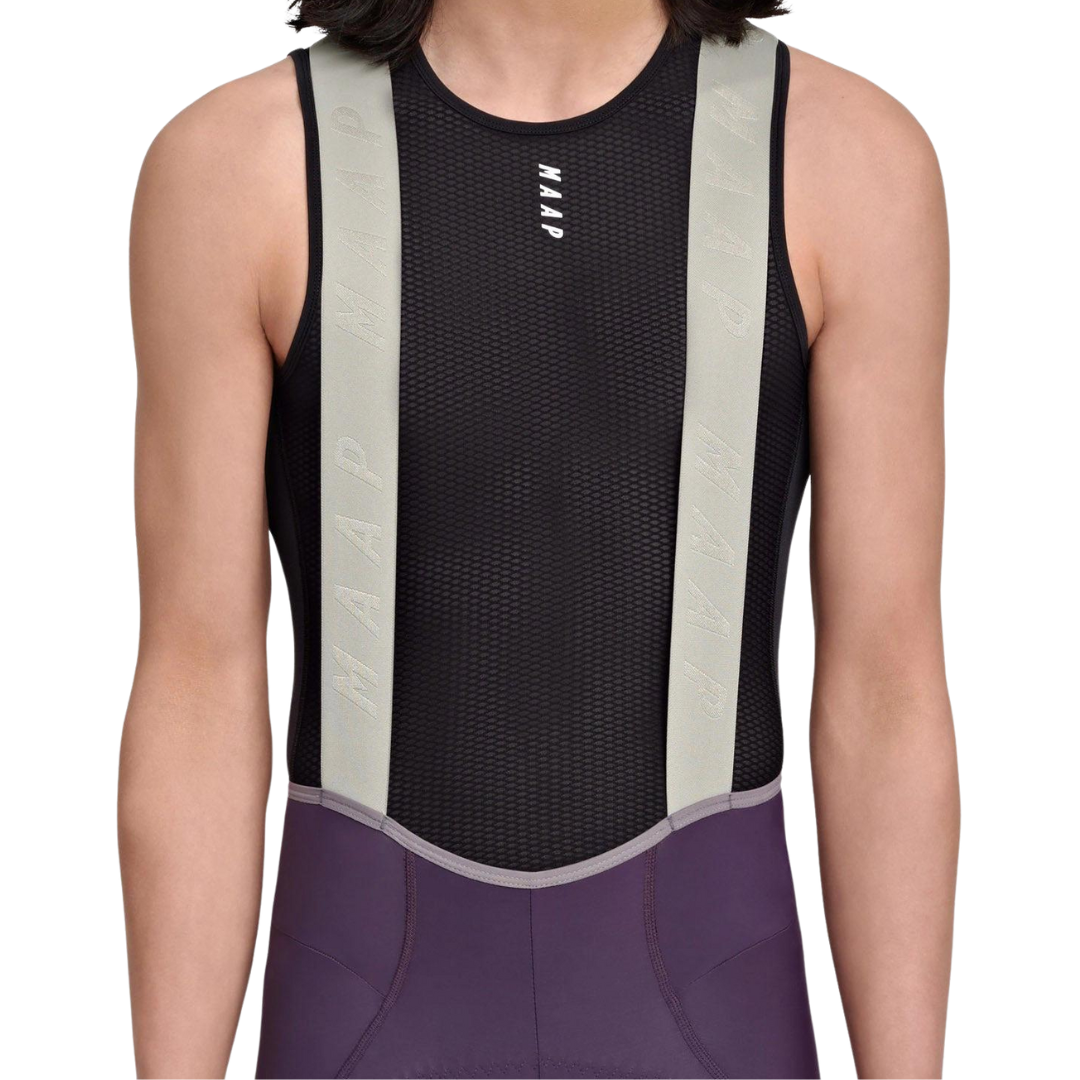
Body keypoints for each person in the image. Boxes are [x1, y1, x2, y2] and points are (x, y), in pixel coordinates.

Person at [120, 0, 959, 1077]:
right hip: (366, 1021)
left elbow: (886, 679)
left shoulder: (849, 158)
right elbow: (198, 675)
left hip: (711, 1024)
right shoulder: (235, 165)